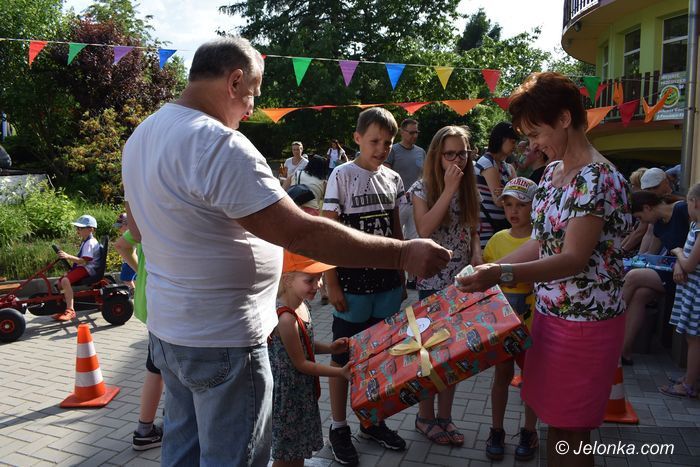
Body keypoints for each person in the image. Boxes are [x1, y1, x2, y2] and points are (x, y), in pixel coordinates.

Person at [121, 37, 450, 466]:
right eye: (252, 94)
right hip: (223, 339)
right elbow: (299, 233)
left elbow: (138, 230)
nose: (251, 109)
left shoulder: (143, 135)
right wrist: (403, 255)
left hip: (170, 332)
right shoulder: (216, 143)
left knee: (183, 452)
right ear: (234, 81)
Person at [456, 72, 633, 467]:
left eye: (536, 133)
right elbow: (541, 242)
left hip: (586, 325)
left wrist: (500, 275)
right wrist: (491, 267)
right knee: (555, 421)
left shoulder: (597, 178)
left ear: (565, 119)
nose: (532, 145)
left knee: (573, 431)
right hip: (549, 315)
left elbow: (572, 259)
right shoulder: (552, 173)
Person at [322, 107, 408, 465]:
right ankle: (338, 426)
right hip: (351, 285)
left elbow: (397, 230)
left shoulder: (393, 178)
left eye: (387, 143)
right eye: (374, 141)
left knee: (378, 358)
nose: (381, 149)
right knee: (343, 358)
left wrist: (401, 273)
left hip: (386, 285)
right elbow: (327, 234)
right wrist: (331, 283)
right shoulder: (341, 175)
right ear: (357, 138)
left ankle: (372, 420)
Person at [409, 125, 481, 447]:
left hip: (462, 281)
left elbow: (473, 226)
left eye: (461, 154)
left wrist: (477, 252)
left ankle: (445, 416)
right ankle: (425, 417)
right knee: (430, 355)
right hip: (432, 281)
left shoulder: (469, 185)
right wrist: (449, 189)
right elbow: (424, 228)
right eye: (449, 154)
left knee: (454, 355)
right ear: (437, 156)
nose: (456, 160)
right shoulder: (422, 188)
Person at [270, 250, 351, 466]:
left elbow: (304, 344)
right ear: (288, 279)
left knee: (298, 451)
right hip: (289, 396)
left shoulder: (302, 305)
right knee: (287, 455)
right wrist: (340, 372)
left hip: (300, 391)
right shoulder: (286, 319)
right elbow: (301, 363)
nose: (318, 285)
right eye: (310, 280)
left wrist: (331, 348)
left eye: (320, 278)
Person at [482, 177, 539, 461]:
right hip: (503, 326)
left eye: (521, 205)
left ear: (535, 207)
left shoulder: (541, 240)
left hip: (533, 325)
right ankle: (496, 430)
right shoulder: (497, 240)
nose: (513, 211)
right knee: (501, 378)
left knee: (532, 381)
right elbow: (485, 277)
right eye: (508, 205)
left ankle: (529, 431)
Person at [621, 191, 690, 365]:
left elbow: (695, 237)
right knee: (641, 294)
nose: (643, 221)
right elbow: (651, 256)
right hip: (672, 270)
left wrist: (681, 261)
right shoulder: (659, 224)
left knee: (633, 277)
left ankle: (609, 324)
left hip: (687, 270)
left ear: (647, 208)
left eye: (640, 217)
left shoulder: (681, 210)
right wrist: (635, 261)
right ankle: (624, 351)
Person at [113, 220, 164, 452]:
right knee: (166, 368)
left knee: (156, 367)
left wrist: (140, 270)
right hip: (166, 306)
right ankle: (163, 425)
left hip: (148, 302)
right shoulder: (169, 217)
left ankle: (145, 430)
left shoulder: (146, 220)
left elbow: (121, 245)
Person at [659, 182, 700, 398]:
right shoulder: (695, 226)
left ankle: (689, 385)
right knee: (691, 337)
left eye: (689, 204)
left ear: (695, 203)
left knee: (694, 339)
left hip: (696, 291)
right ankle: (689, 377)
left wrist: (677, 253)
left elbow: (689, 263)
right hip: (691, 289)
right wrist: (679, 260)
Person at [385, 118, 426, 267]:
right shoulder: (393, 150)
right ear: (402, 132)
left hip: (416, 202)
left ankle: (412, 271)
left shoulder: (421, 152)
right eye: (411, 132)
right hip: (397, 202)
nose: (415, 136)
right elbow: (386, 174)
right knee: (393, 237)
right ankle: (391, 266)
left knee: (415, 239)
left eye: (416, 132)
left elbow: (424, 175)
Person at [474, 121, 518, 249]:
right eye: (512, 142)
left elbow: (518, 192)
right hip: (487, 228)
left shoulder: (505, 166)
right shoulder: (487, 162)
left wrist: (506, 192)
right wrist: (509, 192)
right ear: (501, 139)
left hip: (500, 227)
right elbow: (499, 200)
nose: (515, 146)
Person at [52, 214, 101, 322]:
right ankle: (62, 307)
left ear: (91, 229)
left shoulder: (90, 243)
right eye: (77, 228)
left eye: (80, 228)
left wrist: (67, 256)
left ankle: (70, 310)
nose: (78, 230)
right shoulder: (86, 241)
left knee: (65, 281)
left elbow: (83, 261)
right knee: (58, 284)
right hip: (84, 267)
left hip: (88, 269)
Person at [113, 213, 136, 291]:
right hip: (130, 261)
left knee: (126, 279)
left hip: (129, 262)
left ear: (127, 225)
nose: (118, 229)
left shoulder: (130, 235)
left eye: (120, 226)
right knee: (134, 279)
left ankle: (133, 293)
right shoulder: (129, 235)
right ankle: (135, 292)